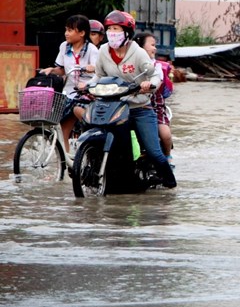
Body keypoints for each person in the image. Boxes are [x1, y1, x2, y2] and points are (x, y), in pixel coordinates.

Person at [90, 10, 176, 188]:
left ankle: (170, 182)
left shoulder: (138, 53)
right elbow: (98, 76)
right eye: (110, 29)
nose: (112, 33)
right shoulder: (103, 51)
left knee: (153, 151)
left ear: (127, 33)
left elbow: (154, 76)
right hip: (114, 107)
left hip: (139, 108)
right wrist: (88, 86)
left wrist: (148, 85)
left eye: (117, 29)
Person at [40, 14, 99, 154]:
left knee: (86, 120)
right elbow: (61, 69)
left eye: (70, 30)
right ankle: (65, 163)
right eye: (66, 29)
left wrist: (91, 73)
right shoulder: (64, 47)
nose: (66, 33)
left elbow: (99, 73)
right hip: (69, 92)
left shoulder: (92, 50)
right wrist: (52, 70)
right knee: (61, 129)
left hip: (87, 94)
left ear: (82, 33)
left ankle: (91, 141)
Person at [134, 32, 175, 169]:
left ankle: (167, 157)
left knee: (166, 134)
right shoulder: (131, 64)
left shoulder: (156, 66)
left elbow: (157, 83)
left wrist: (149, 86)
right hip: (133, 106)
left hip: (155, 109)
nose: (155, 48)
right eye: (152, 45)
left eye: (154, 45)